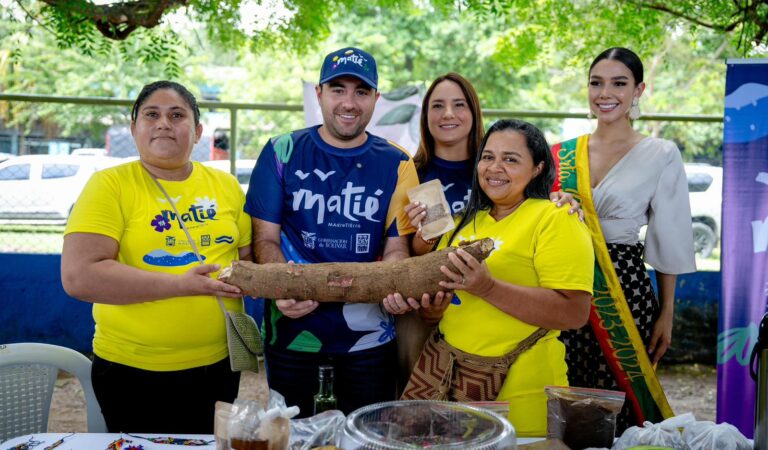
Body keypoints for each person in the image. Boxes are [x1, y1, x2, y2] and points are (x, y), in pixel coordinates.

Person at [61, 81, 252, 432]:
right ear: (134, 129)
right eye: (152, 114)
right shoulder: (110, 185)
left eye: (177, 115)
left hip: (220, 366)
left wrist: (290, 287)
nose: (164, 123)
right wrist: (181, 285)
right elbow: (79, 276)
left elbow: (250, 262)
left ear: (197, 131)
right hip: (132, 371)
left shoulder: (225, 186)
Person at [244, 47, 418, 417]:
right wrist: (281, 288)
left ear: (376, 99)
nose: (349, 102)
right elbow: (265, 240)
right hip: (291, 333)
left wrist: (395, 281)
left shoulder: (398, 162)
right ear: (319, 93)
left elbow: (396, 247)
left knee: (366, 438)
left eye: (361, 91)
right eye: (338, 89)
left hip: (370, 340)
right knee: (294, 438)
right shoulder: (281, 151)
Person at [392, 119, 595, 436]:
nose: (494, 167)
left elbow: (574, 312)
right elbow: (440, 312)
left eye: (511, 159)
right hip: (449, 388)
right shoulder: (462, 222)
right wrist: (432, 309)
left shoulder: (556, 219)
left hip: (522, 398)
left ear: (538, 168)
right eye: (488, 157)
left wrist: (488, 287)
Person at [551, 47, 696, 431]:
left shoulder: (660, 153)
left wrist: (667, 312)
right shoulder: (563, 155)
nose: (605, 93)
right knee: (565, 393)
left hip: (625, 290)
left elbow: (670, 238)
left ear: (638, 90)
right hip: (563, 284)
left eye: (619, 83)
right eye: (596, 83)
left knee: (617, 401)